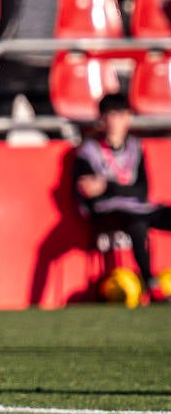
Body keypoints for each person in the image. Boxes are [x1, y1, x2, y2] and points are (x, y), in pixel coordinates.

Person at [74, 92, 171, 303]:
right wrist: (105, 191)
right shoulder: (88, 151)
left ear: (128, 117)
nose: (114, 122)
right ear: (102, 119)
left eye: (119, 115)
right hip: (107, 212)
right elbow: (87, 195)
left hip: (138, 207)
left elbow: (141, 191)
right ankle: (152, 286)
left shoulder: (136, 148)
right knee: (137, 223)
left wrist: (107, 185)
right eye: (109, 116)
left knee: (147, 216)